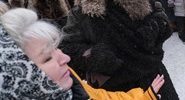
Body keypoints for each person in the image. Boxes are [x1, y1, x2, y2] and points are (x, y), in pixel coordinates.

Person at [55, 0, 179, 99]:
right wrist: (96, 56)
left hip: (153, 75)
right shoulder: (83, 12)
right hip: (117, 89)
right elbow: (67, 48)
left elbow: (159, 15)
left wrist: (154, 28)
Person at [0, 6, 165, 100]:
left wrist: (143, 97)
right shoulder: (80, 13)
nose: (65, 58)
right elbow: (71, 45)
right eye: (47, 57)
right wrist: (92, 55)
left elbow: (98, 97)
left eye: (56, 48)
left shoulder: (67, 79)